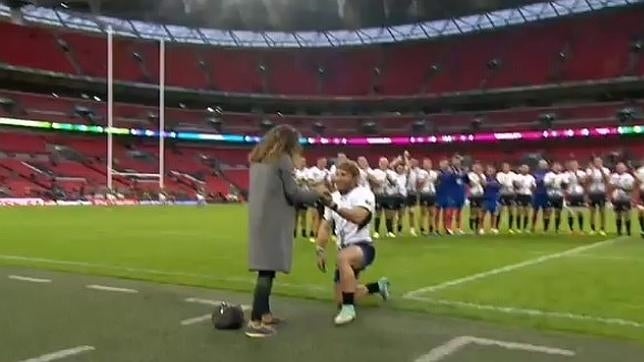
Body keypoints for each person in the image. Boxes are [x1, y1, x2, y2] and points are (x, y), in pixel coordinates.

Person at [246, 125, 329, 338]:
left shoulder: (258, 160)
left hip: (260, 219)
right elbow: (293, 194)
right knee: (266, 270)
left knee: (267, 267)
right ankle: (255, 320)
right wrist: (317, 193)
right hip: (273, 220)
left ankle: (264, 313)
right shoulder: (282, 160)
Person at [315, 161, 391, 326]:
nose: (339, 178)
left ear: (354, 178)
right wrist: (320, 249)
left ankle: (349, 310)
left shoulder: (364, 194)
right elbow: (325, 225)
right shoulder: (334, 197)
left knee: (343, 258)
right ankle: (378, 287)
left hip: (363, 247)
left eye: (344, 174)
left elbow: (358, 217)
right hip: (344, 248)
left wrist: (334, 206)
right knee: (340, 298)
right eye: (337, 174)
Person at [586, 157, 610, 236]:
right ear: (594, 162)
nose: (598, 163)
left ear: (602, 162)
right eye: (596, 161)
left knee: (602, 211)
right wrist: (592, 171)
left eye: (599, 161)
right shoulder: (589, 170)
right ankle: (592, 229)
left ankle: (602, 229)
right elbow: (588, 180)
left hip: (601, 193)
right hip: (592, 193)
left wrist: (601, 170)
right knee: (592, 211)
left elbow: (607, 180)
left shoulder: (605, 170)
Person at [610, 162, 635, 236]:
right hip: (616, 197)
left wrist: (621, 187)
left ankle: (628, 231)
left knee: (627, 214)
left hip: (626, 197)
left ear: (625, 168)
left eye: (621, 167)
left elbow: (631, 187)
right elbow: (611, 186)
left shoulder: (629, 177)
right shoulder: (614, 176)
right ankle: (619, 231)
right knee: (618, 214)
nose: (620, 169)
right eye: (618, 167)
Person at [564, 160, 587, 234]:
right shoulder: (566, 174)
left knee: (580, 212)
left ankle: (581, 229)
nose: (573, 166)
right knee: (570, 212)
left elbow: (583, 182)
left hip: (579, 194)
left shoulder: (582, 173)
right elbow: (565, 185)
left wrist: (576, 173)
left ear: (578, 165)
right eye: (572, 165)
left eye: (575, 165)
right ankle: (571, 229)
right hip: (570, 194)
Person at [367, 157, 389, 238]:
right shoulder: (375, 172)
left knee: (389, 213)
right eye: (382, 163)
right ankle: (376, 231)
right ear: (379, 164)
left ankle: (389, 231)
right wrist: (376, 183)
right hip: (378, 194)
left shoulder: (390, 172)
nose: (384, 165)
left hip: (387, 195)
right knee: (378, 213)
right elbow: (371, 180)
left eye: (385, 163)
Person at [417, 158, 438, 235]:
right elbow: (419, 183)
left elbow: (435, 181)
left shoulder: (433, 173)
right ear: (423, 165)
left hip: (432, 193)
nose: (427, 165)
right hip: (424, 193)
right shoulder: (421, 173)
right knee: (423, 212)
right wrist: (425, 179)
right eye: (425, 164)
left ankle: (431, 229)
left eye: (428, 164)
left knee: (432, 212)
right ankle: (422, 229)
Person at [544, 162, 567, 233]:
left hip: (559, 195)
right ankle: (546, 228)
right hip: (550, 195)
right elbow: (546, 184)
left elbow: (566, 186)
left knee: (558, 212)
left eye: (558, 166)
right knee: (548, 211)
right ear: (552, 167)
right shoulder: (548, 175)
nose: (557, 167)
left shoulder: (563, 175)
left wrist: (563, 184)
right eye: (555, 166)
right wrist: (552, 181)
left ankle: (557, 228)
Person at [514, 164, 536, 233]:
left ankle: (525, 227)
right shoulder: (517, 177)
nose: (525, 169)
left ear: (528, 170)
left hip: (528, 195)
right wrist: (517, 185)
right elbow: (514, 186)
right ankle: (518, 228)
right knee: (519, 211)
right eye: (523, 168)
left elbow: (534, 187)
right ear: (521, 169)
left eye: (526, 168)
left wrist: (532, 188)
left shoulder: (531, 177)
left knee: (527, 212)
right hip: (519, 195)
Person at [496, 163, 517, 233]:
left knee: (510, 211)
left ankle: (510, 228)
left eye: (507, 167)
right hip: (502, 194)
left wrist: (512, 186)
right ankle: (496, 227)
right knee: (499, 210)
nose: (505, 168)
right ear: (502, 168)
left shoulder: (513, 175)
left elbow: (515, 183)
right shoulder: (499, 174)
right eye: (504, 167)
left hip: (510, 194)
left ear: (509, 168)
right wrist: (508, 185)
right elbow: (500, 183)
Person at [481, 165, 501, 234]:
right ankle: (481, 228)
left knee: (494, 214)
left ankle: (493, 228)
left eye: (491, 171)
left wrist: (490, 184)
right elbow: (484, 184)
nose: (490, 172)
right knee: (483, 214)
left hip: (494, 199)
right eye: (489, 171)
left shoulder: (496, 179)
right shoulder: (485, 178)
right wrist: (490, 184)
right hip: (486, 198)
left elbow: (498, 186)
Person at [531, 160, 550, 233]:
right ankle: (533, 227)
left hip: (546, 194)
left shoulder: (548, 174)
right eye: (542, 164)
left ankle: (545, 228)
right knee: (535, 211)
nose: (543, 166)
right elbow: (534, 182)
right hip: (537, 194)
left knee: (546, 211)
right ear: (539, 165)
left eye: (545, 164)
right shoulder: (535, 173)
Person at [467, 162, 485, 234]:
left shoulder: (482, 175)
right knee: (473, 212)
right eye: (476, 167)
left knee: (479, 212)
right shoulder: (470, 175)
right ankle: (471, 227)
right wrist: (478, 181)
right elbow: (471, 184)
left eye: (479, 167)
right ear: (473, 168)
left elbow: (484, 184)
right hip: (473, 195)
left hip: (480, 195)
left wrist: (479, 176)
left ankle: (477, 229)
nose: (477, 169)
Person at [637, 161, 644, 238]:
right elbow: (636, 184)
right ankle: (642, 228)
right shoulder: (640, 171)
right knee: (641, 211)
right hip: (642, 194)